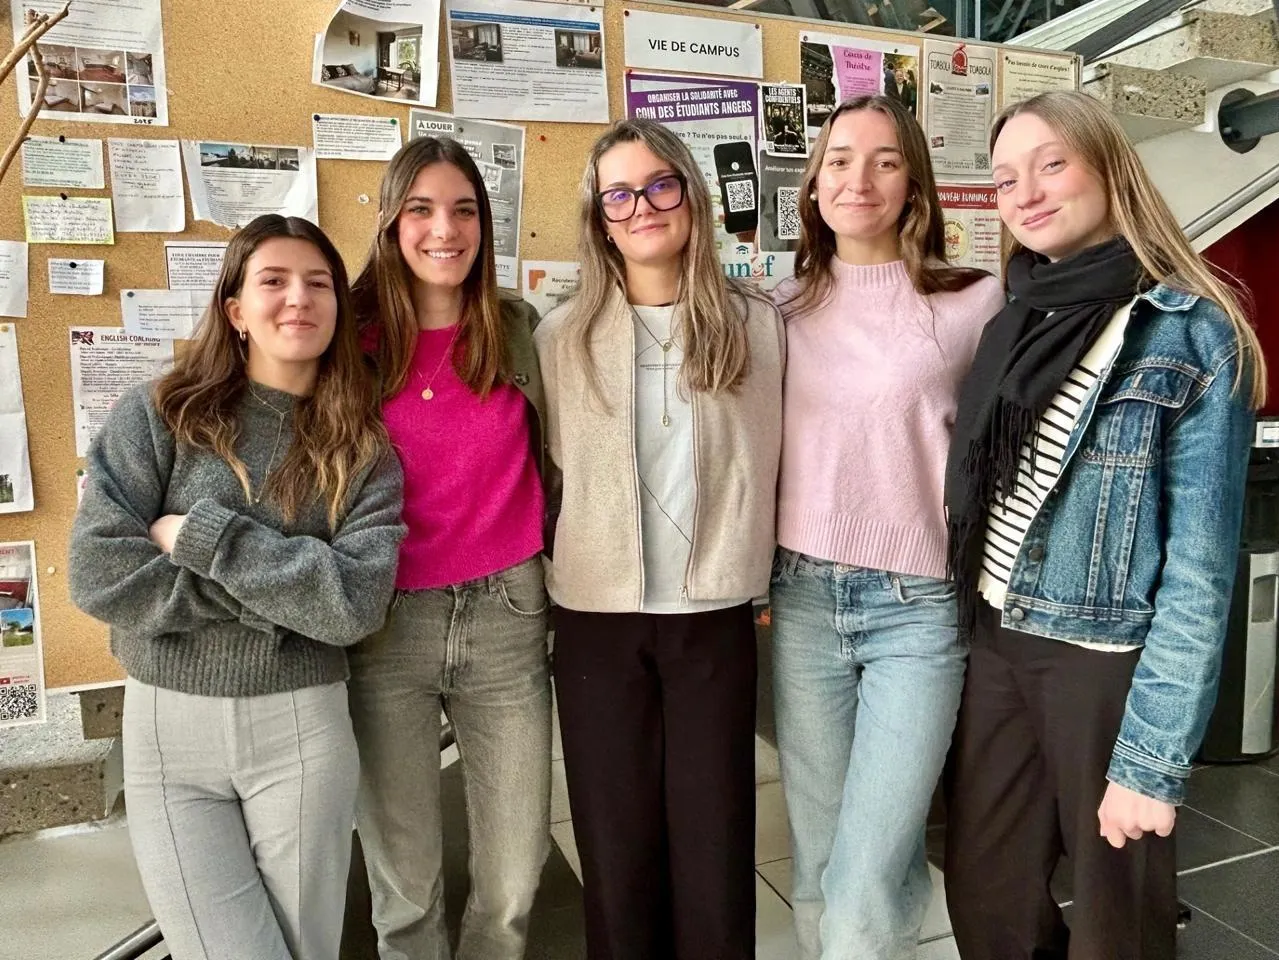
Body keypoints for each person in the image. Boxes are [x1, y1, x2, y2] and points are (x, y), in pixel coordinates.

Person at [942, 90, 1264, 960]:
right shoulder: (1015, 318)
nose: (1026, 193)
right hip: (997, 636)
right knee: (989, 898)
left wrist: (1150, 763)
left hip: (1102, 661)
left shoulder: (1190, 332)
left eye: (1051, 164)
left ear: (1110, 168)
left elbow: (1200, 574)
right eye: (1005, 179)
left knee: (1116, 919)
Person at [68, 214, 405, 960]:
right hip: (168, 728)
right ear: (236, 310)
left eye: (318, 283)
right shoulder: (159, 416)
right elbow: (97, 574)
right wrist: (282, 601)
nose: (299, 298)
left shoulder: (365, 451)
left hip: (303, 729)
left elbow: (354, 604)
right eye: (273, 281)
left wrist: (204, 539)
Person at [535, 117, 784, 960]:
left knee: (716, 843)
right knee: (617, 848)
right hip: (596, 619)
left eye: (659, 185)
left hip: (713, 614)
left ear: (691, 195)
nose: (641, 207)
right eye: (619, 195)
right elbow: (550, 473)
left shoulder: (758, 327)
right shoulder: (560, 338)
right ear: (600, 219)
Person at [769, 94, 1005, 960]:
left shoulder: (974, 301)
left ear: (914, 185)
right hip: (802, 598)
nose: (857, 179)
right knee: (823, 855)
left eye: (884, 160)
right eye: (838, 160)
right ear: (813, 184)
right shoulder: (778, 307)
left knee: (867, 870)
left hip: (919, 606)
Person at [346, 135, 551, 960]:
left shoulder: (518, 330)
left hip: (507, 613)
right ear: (393, 223)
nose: (445, 229)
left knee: (513, 878)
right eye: (422, 209)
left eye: (464, 210)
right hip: (386, 623)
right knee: (404, 882)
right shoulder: (349, 345)